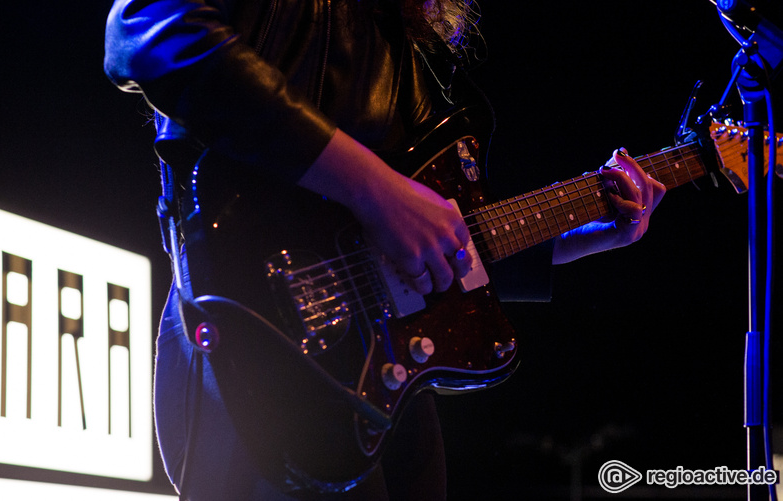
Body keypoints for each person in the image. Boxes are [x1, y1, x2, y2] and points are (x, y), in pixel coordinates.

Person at [104, 0, 666, 499]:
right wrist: (375, 188)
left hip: (375, 369)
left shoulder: (401, 29)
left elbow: (418, 235)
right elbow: (150, 30)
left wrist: (576, 236)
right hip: (259, 336)